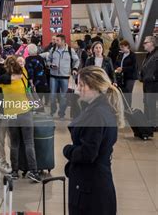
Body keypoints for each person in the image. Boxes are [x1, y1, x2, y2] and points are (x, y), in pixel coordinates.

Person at [63, 66, 124, 215]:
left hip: (90, 189)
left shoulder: (96, 114)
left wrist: (68, 150)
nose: (78, 89)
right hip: (96, 183)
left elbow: (88, 153)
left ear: (95, 87)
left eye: (82, 85)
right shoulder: (102, 108)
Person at [0, 56, 42, 183]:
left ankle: (14, 172)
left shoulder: (3, 81)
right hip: (25, 112)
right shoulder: (23, 73)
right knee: (29, 143)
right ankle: (33, 171)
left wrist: (7, 78)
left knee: (15, 144)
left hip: (11, 114)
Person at [47, 34, 79, 119]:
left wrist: (75, 68)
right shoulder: (53, 49)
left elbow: (76, 60)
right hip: (53, 76)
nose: (55, 41)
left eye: (57, 40)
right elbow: (48, 60)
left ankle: (61, 113)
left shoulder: (70, 50)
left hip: (65, 76)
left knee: (63, 97)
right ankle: (53, 111)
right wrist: (50, 65)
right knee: (53, 96)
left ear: (63, 41)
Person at [139, 36, 158, 130]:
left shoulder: (156, 55)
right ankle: (148, 122)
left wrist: (154, 77)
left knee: (151, 104)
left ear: (152, 43)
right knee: (147, 103)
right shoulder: (149, 54)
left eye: (145, 42)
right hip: (147, 83)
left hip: (154, 84)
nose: (144, 44)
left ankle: (154, 124)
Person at [114, 40, 137, 107]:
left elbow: (134, 67)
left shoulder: (133, 55)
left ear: (127, 46)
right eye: (120, 47)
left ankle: (128, 108)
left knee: (128, 94)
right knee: (121, 93)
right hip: (120, 77)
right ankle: (122, 108)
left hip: (130, 77)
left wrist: (123, 69)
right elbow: (116, 63)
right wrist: (117, 68)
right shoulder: (120, 55)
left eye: (122, 47)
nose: (121, 49)